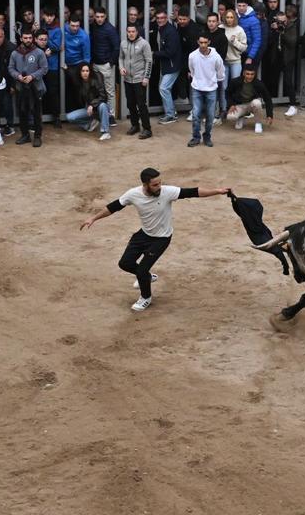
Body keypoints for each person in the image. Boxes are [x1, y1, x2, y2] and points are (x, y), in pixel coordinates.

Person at [80, 167, 231, 312]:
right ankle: (147, 276)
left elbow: (193, 192)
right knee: (124, 264)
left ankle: (145, 297)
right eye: (155, 185)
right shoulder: (133, 194)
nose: (159, 187)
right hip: (143, 235)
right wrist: (93, 218)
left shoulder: (167, 192)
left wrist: (216, 191)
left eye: (160, 183)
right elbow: (113, 207)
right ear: (145, 184)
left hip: (161, 238)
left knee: (141, 271)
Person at [8, 30, 47, 147]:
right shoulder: (15, 53)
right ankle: (25, 135)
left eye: (30, 38)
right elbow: (10, 68)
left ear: (33, 38)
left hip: (35, 87)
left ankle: (37, 136)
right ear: (21, 39)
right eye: (25, 38)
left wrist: (32, 76)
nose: (28, 40)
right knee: (22, 112)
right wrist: (18, 76)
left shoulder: (39, 52)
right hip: (21, 87)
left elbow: (44, 68)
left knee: (36, 113)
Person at [187, 34, 225, 148]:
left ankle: (207, 136)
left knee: (210, 115)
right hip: (197, 88)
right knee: (196, 114)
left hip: (211, 89)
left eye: (205, 42)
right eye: (201, 42)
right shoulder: (192, 56)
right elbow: (192, 70)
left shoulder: (216, 57)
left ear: (209, 42)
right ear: (198, 42)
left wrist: (213, 82)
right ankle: (196, 137)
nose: (203, 45)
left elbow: (220, 73)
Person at [119, 22, 153, 139]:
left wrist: (146, 77)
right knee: (130, 104)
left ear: (137, 32)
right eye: (129, 32)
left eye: (133, 31)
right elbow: (121, 57)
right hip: (127, 80)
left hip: (140, 80)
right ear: (126, 32)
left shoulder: (144, 44)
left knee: (141, 105)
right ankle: (135, 125)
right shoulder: (123, 43)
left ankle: (147, 129)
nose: (131, 34)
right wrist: (121, 67)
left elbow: (149, 61)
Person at [67, 63, 112, 141]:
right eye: (83, 71)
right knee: (69, 117)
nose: (85, 73)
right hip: (88, 109)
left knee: (103, 106)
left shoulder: (96, 79)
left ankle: (105, 132)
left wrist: (92, 105)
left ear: (90, 72)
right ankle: (89, 125)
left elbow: (104, 96)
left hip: (99, 107)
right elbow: (71, 74)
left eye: (87, 71)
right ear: (80, 72)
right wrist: (65, 68)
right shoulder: (79, 82)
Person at [90, 8, 119, 125]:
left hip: (106, 65)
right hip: (95, 64)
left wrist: (110, 63)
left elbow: (116, 47)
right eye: (97, 17)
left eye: (102, 16)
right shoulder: (93, 26)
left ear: (105, 16)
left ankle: (111, 116)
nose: (99, 19)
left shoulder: (110, 29)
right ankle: (100, 114)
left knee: (109, 91)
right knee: (97, 90)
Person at [225, 64, 273, 134]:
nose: (249, 76)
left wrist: (270, 115)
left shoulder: (259, 84)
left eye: (252, 74)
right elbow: (227, 93)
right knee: (230, 117)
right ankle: (241, 117)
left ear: (255, 74)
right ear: (244, 73)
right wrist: (231, 104)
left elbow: (267, 98)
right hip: (240, 105)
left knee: (257, 103)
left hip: (251, 104)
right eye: (247, 74)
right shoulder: (235, 81)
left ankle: (258, 123)